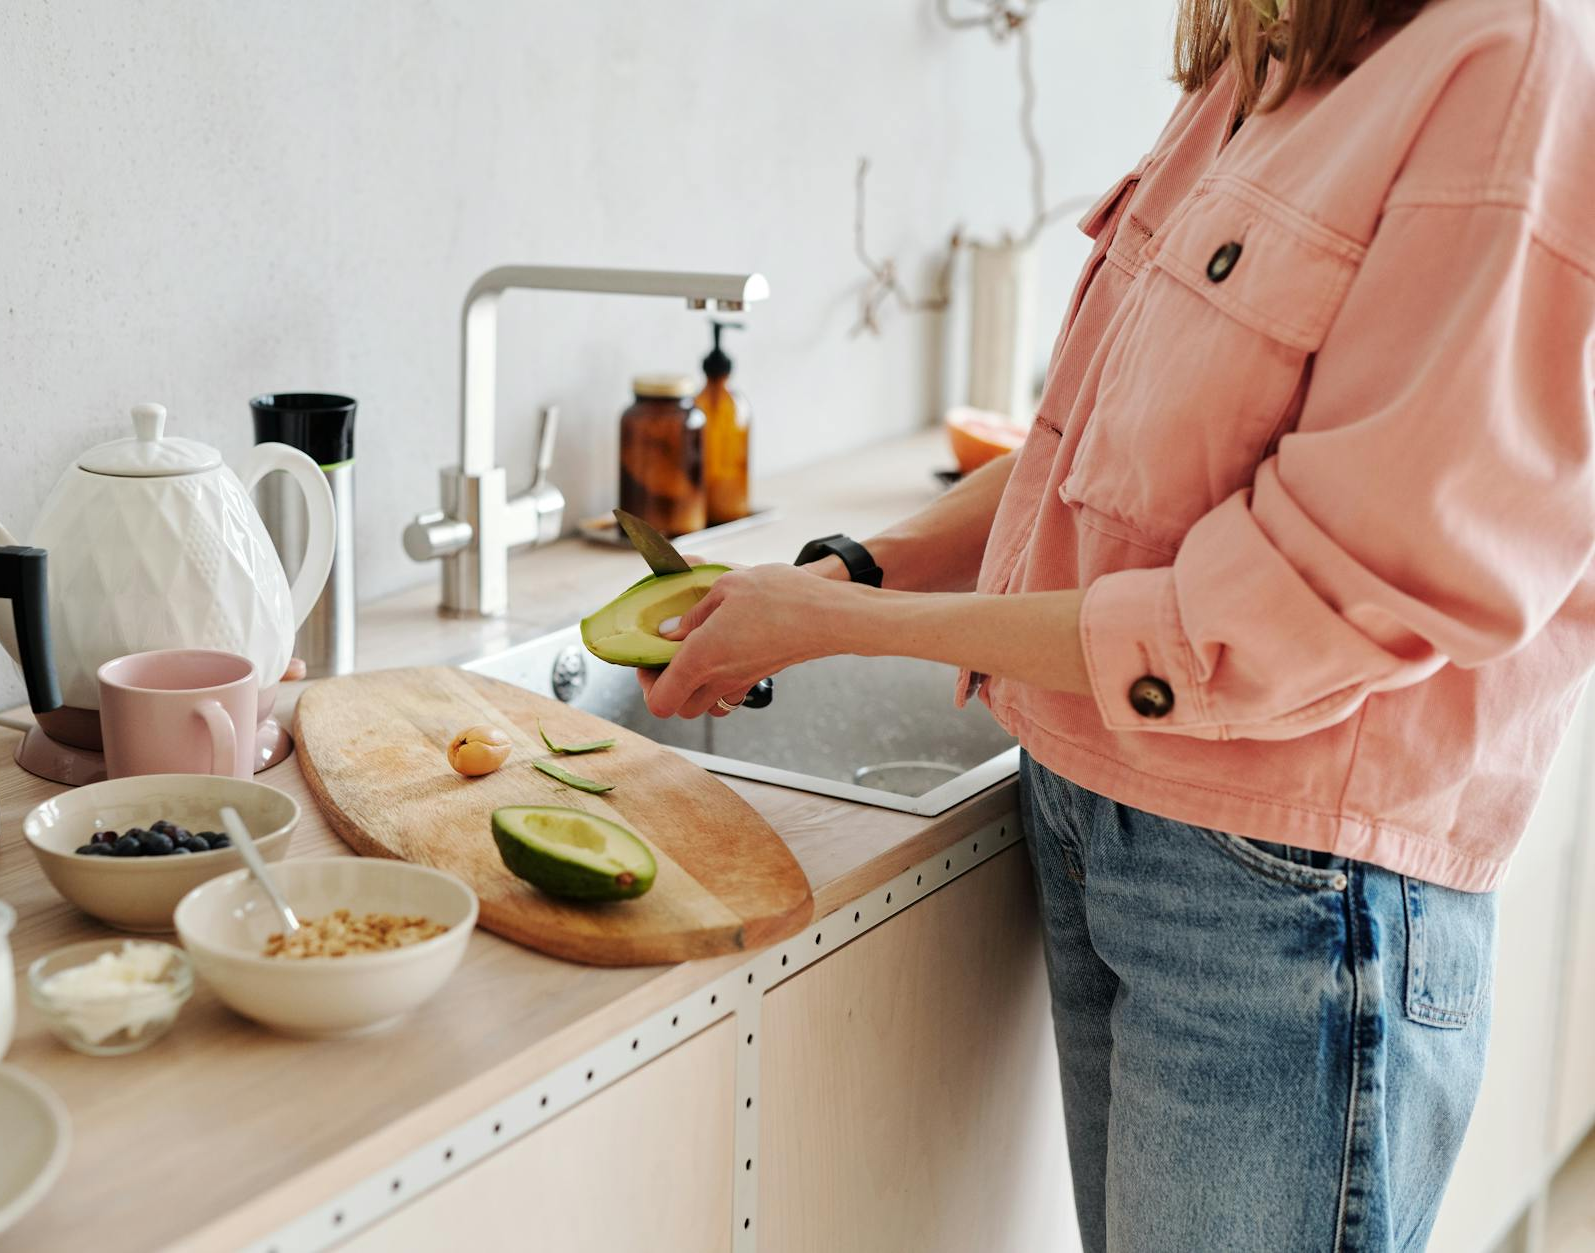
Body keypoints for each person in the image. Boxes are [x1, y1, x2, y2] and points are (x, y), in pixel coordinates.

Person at [638, 0, 1595, 1248]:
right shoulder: (1274, 49)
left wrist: (835, 623)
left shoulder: (1504, 61)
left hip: (1288, 897)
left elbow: (1283, 608)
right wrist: (867, 565)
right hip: (1098, 819)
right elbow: (1093, 461)